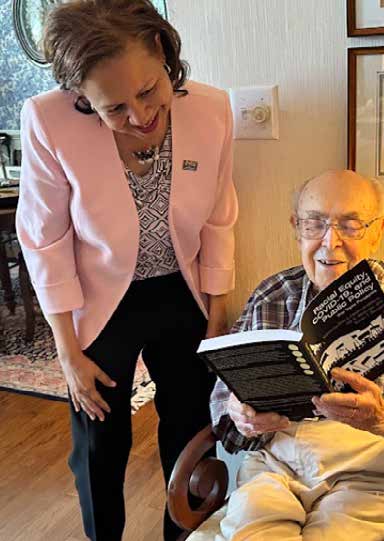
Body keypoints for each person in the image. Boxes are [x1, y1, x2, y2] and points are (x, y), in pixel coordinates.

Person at [16, 1, 238, 539]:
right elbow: (46, 238)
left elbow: (217, 217)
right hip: (100, 299)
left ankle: (181, 535)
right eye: (113, 107)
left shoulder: (212, 109)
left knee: (190, 424)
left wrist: (216, 314)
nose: (139, 116)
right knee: (98, 439)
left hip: (180, 291)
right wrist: (67, 352)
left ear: (162, 52)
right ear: (79, 97)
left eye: (147, 91)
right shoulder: (49, 120)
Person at [209, 170, 384, 540]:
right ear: (296, 226)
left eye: (351, 226)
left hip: (374, 473)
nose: (329, 242)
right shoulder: (272, 295)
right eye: (314, 223)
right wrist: (241, 416)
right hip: (275, 467)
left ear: (377, 231)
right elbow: (223, 404)